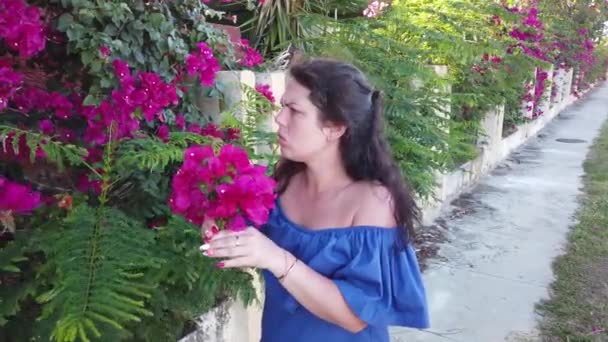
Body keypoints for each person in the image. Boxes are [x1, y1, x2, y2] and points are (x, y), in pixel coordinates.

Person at [200, 58, 429, 341]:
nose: (279, 118)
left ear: (335, 128)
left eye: (294, 111)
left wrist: (277, 259)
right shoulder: (284, 183)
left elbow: (355, 317)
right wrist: (220, 224)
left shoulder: (373, 202)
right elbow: (247, 235)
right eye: (283, 106)